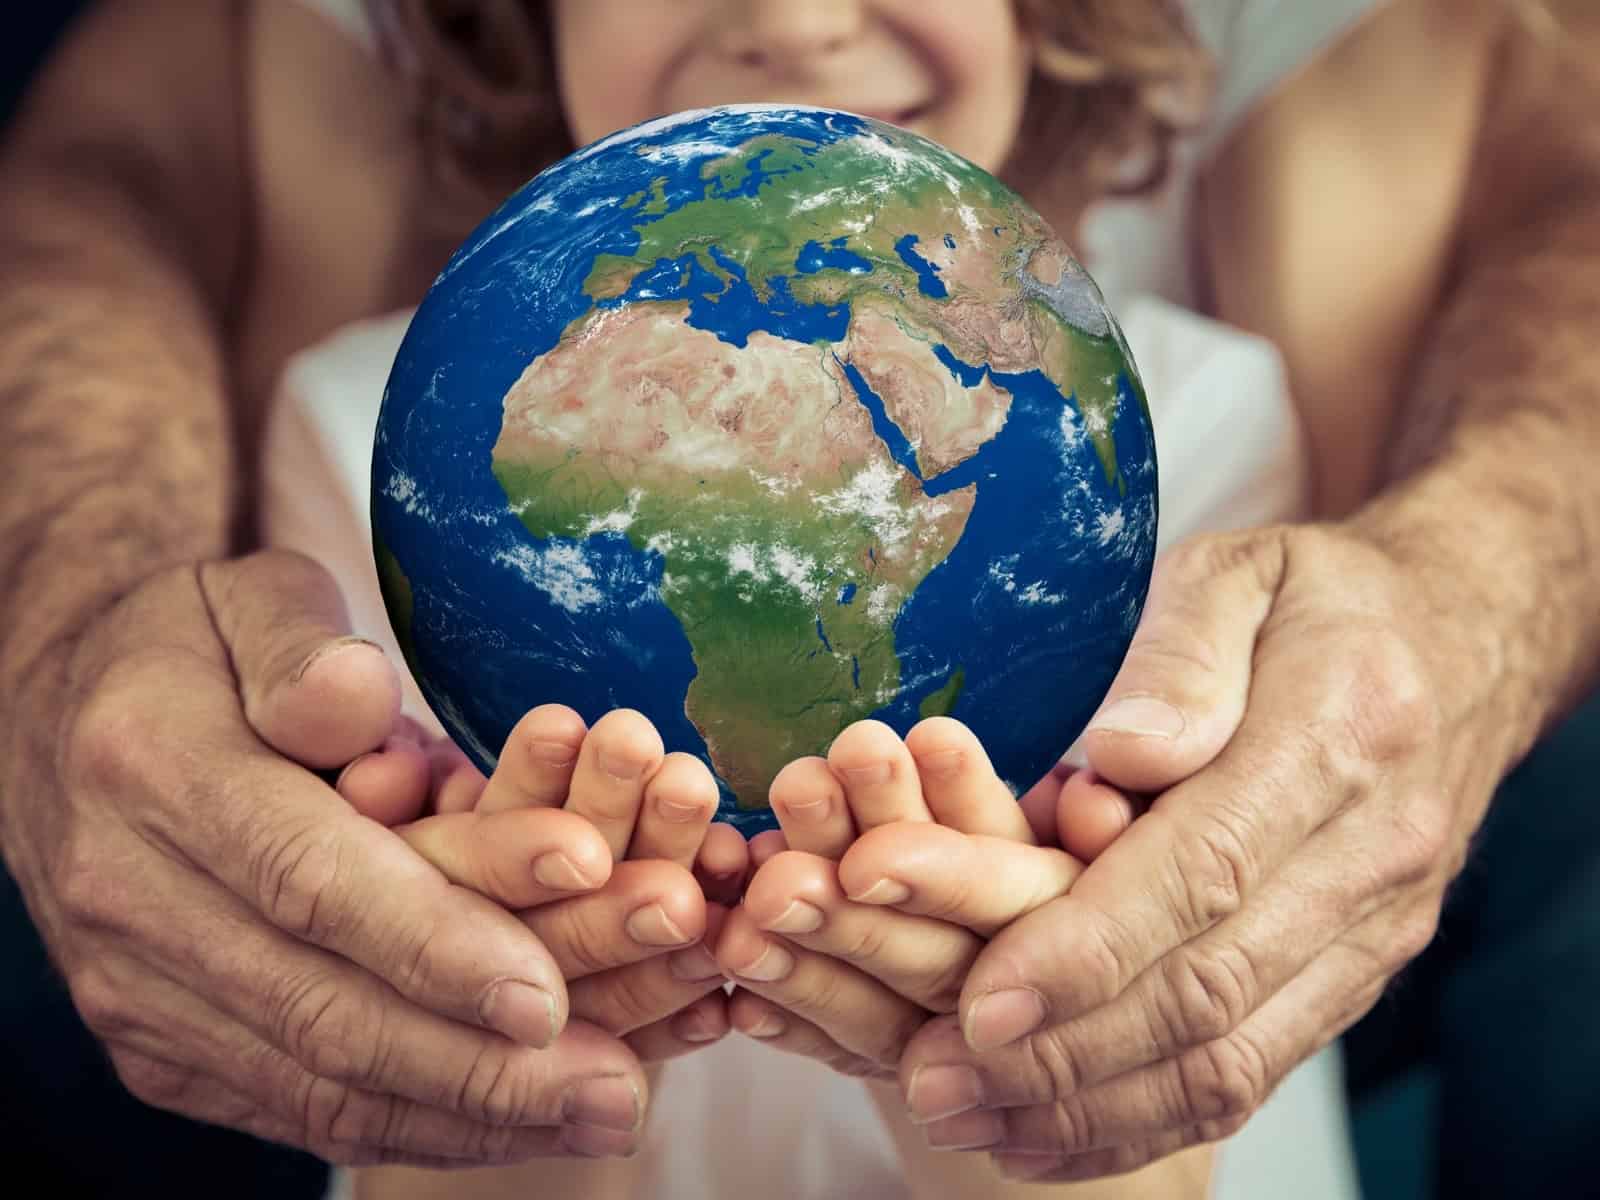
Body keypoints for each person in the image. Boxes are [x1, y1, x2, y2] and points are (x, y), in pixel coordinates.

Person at [0, 0, 1596, 1197]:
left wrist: (992, 1053)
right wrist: (526, 1040)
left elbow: (1156, 1134)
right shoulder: (394, 442)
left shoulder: (1165, 441)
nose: (796, 18)